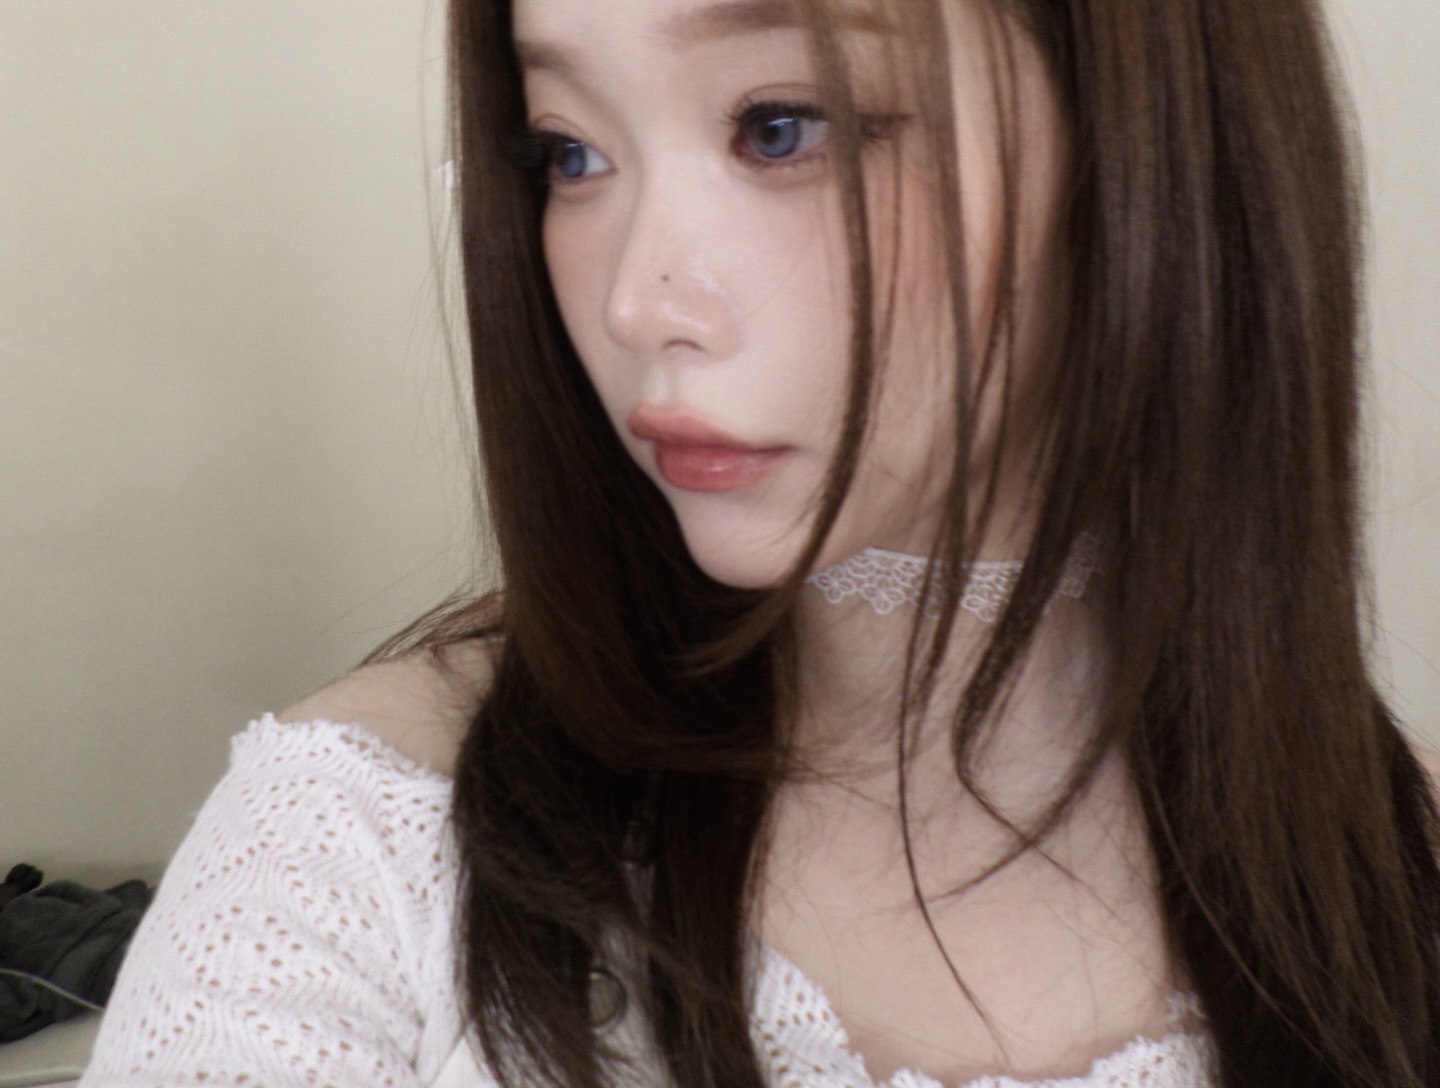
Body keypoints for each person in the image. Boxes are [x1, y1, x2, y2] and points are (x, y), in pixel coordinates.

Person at [79, 0, 1440, 1085]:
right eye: (568, 153)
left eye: (780, 126)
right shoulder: (357, 846)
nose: (635, 302)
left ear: (1156, 140)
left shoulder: (1400, 878)